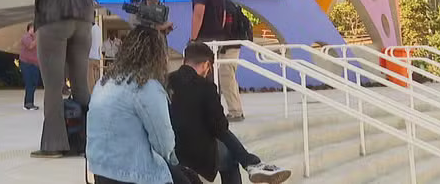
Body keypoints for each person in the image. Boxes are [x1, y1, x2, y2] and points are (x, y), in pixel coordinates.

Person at [26, 0, 106, 158]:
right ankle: (91, 141)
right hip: (83, 22)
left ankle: (53, 145)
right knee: (81, 84)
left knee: (53, 86)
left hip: (53, 21)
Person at [87, 25, 196, 184]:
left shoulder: (103, 83)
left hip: (100, 169)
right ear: (158, 57)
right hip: (133, 174)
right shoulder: (147, 87)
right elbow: (164, 145)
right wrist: (175, 163)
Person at [170, 43, 291, 184]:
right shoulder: (207, 87)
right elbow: (219, 127)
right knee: (230, 156)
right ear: (206, 64)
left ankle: (252, 163)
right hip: (196, 153)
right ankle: (251, 163)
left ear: (185, 60)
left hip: (171, 147)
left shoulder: (166, 81)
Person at [190, 0, 243, 122]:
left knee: (201, 76)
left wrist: (193, 38)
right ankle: (214, 111)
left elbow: (198, 14)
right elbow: (222, 19)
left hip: (205, 40)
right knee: (214, 78)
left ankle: (205, 113)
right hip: (218, 40)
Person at [19, 23, 41, 110]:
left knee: (34, 83)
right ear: (29, 29)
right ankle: (28, 104)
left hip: (35, 64)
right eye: (33, 29)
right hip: (26, 64)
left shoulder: (36, 38)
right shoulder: (26, 37)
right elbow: (30, 46)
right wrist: (38, 38)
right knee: (29, 83)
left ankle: (30, 102)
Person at [89, 20, 103, 91]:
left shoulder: (89, 29)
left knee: (90, 80)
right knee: (96, 79)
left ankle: (92, 95)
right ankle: (97, 93)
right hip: (97, 57)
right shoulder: (98, 29)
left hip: (90, 57)